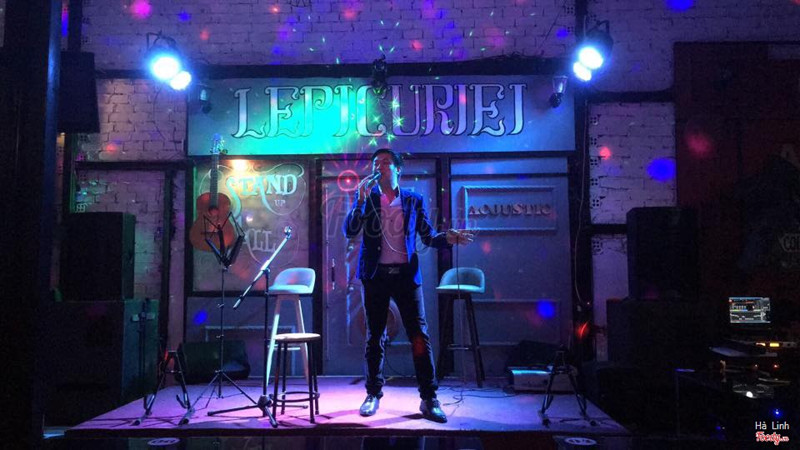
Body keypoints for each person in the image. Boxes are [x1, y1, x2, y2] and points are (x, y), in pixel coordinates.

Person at [343, 148, 474, 423]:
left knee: (419, 336)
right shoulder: (367, 199)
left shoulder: (413, 199)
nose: (379, 166)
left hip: (406, 276)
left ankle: (429, 398)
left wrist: (448, 238)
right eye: (376, 163)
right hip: (375, 276)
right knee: (375, 336)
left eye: (386, 162)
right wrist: (359, 202)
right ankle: (372, 393)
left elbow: (428, 237)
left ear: (398, 169)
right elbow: (349, 230)